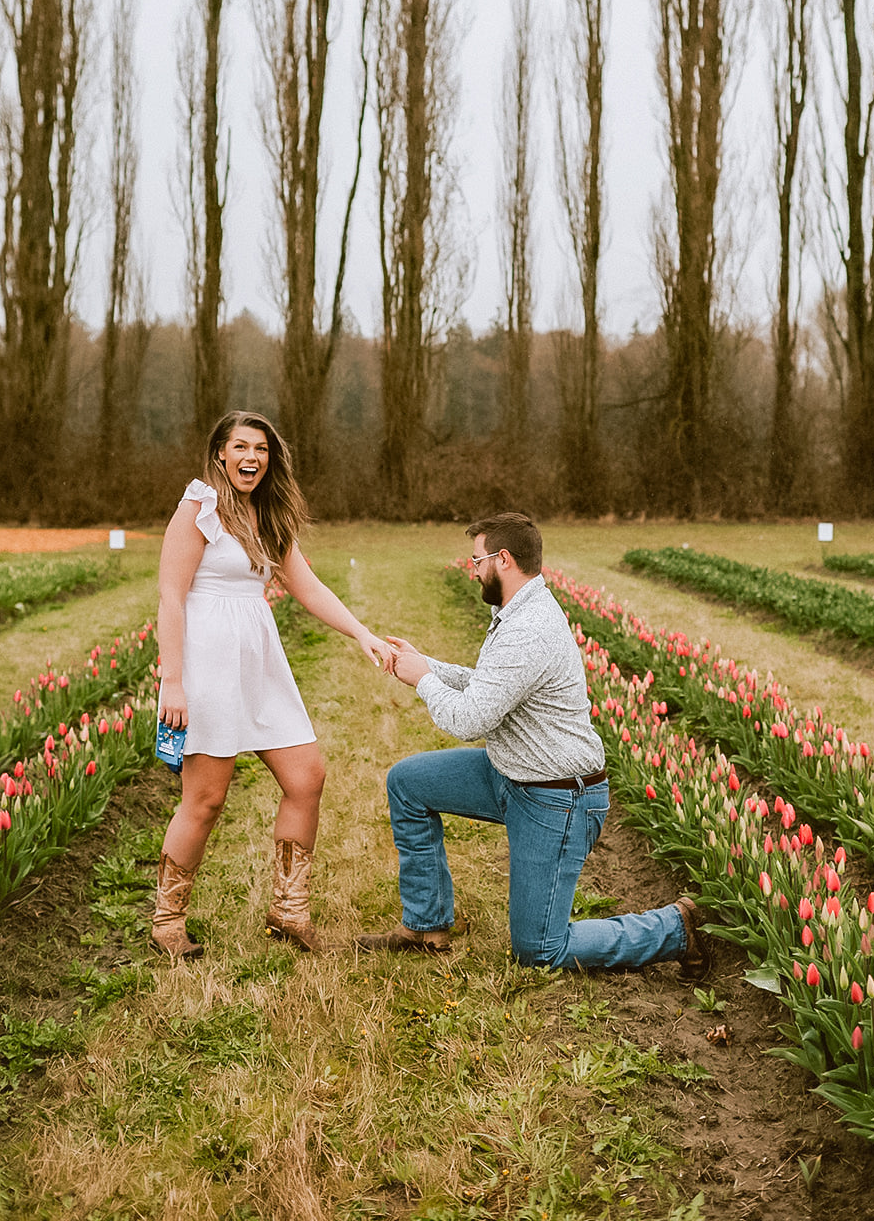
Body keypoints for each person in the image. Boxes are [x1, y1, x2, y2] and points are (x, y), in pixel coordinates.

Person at [359, 511, 710, 976]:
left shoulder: (529, 629)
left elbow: (470, 718)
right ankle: (426, 927)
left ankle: (675, 929)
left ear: (503, 559)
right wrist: (428, 665)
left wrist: (424, 681)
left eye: (477, 558)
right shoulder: (517, 612)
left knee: (540, 948)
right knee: (408, 783)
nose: (473, 568)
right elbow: (489, 687)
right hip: (512, 774)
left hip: (558, 798)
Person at [152, 409, 394, 959]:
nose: (251, 458)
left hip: (260, 663)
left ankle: (289, 910)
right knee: (207, 799)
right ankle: (167, 920)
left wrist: (363, 635)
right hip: (206, 663)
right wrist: (173, 681)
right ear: (220, 453)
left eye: (260, 449)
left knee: (306, 776)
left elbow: (307, 586)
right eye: (240, 447)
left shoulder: (269, 514)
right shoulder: (199, 507)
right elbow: (171, 594)